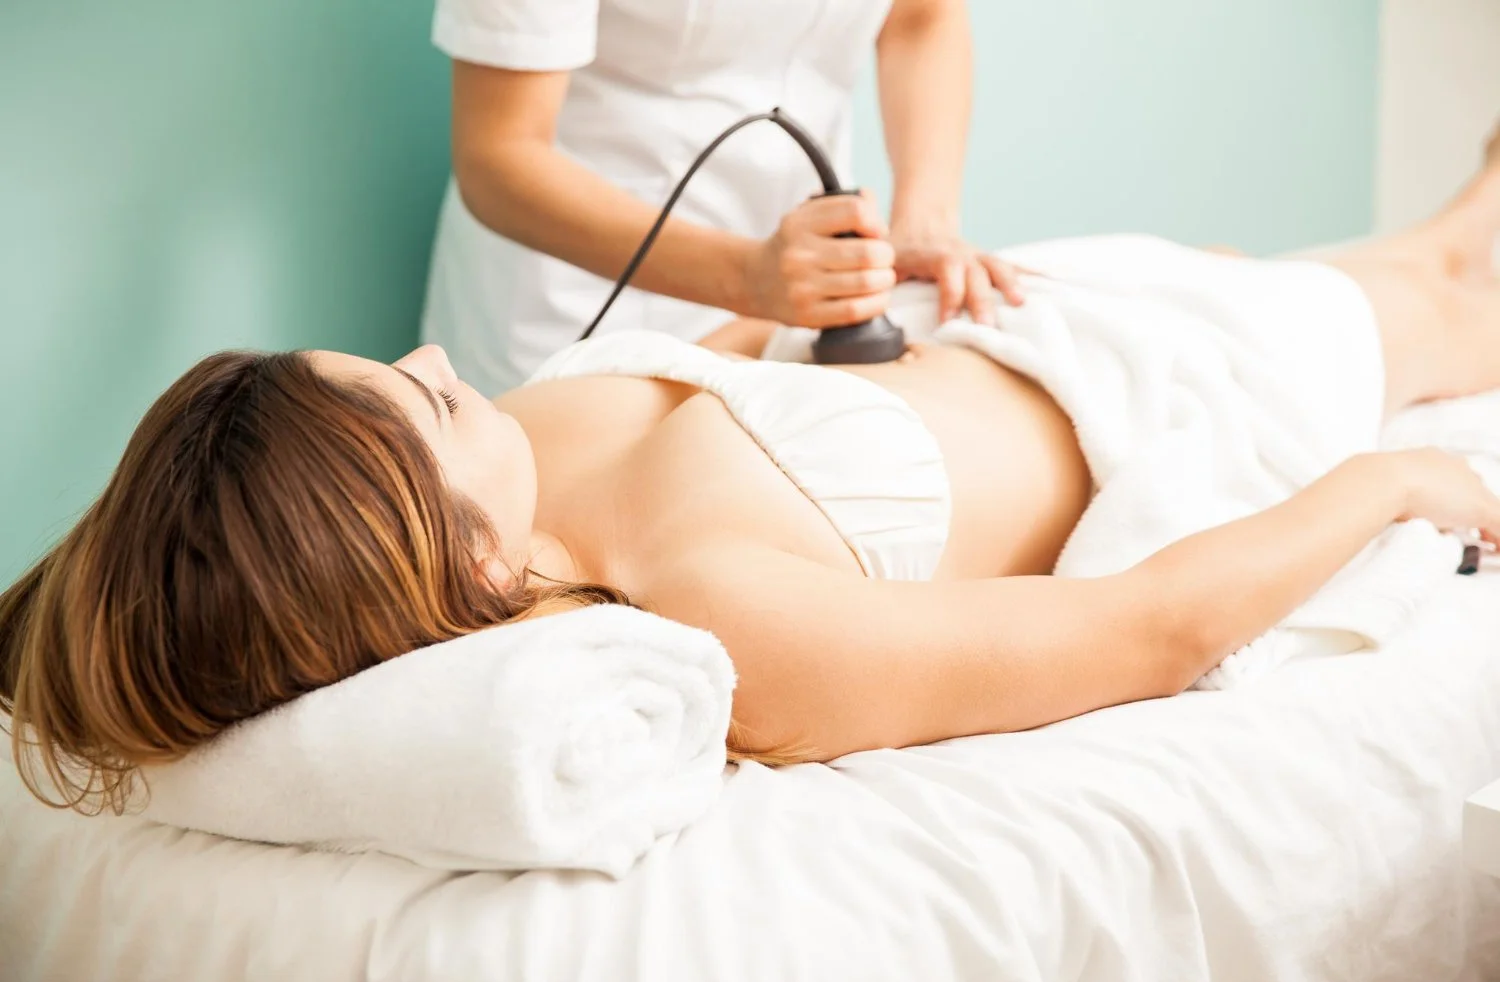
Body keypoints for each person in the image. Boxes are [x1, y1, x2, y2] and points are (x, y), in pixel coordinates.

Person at [6, 141, 1500, 812]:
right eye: (429, 401)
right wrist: (1394, 486)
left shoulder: (524, 459)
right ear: (466, 567)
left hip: (1037, 310)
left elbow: (727, 370)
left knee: (1413, 243)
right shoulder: (722, 619)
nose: (441, 355)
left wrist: (838, 296)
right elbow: (1148, 631)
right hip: (1183, 390)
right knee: (1456, 271)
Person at [421, 0, 1023, 393]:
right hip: (578, 299)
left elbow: (921, 18)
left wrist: (924, 221)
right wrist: (748, 279)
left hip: (798, 308)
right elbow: (499, 156)